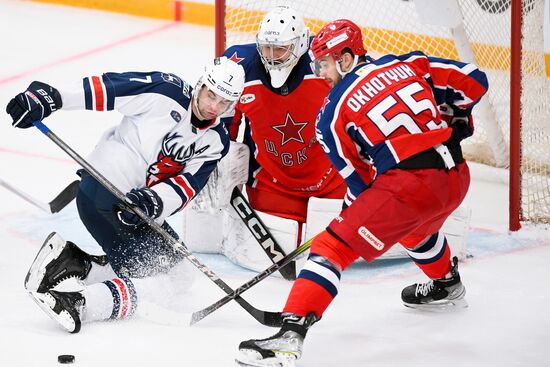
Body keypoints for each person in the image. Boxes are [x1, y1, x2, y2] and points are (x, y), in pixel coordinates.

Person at [236, 19, 488, 366]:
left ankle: (288, 337)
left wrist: (348, 219)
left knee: (330, 247)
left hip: (409, 187)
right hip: (456, 177)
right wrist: (458, 120)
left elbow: (362, 182)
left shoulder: (331, 112)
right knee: (415, 227)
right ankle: (446, 283)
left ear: (345, 57)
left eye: (324, 63)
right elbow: (475, 80)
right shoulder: (407, 63)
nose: (320, 73)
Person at [6, 56, 245, 333]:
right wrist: (53, 97)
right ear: (202, 84)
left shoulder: (216, 141)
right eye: (210, 95)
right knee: (157, 283)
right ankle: (80, 303)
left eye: (223, 103)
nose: (212, 106)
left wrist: (153, 201)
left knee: (180, 274)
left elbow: (186, 186)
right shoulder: (165, 92)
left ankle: (73, 261)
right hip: (102, 192)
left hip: (137, 208)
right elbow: (108, 88)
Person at [183, 6, 346, 277]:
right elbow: (220, 119)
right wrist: (218, 158)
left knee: (348, 248)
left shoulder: (324, 65)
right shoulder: (239, 67)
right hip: (273, 183)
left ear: (300, 44)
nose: (272, 57)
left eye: (280, 49)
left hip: (332, 178)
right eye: (267, 48)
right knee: (262, 256)